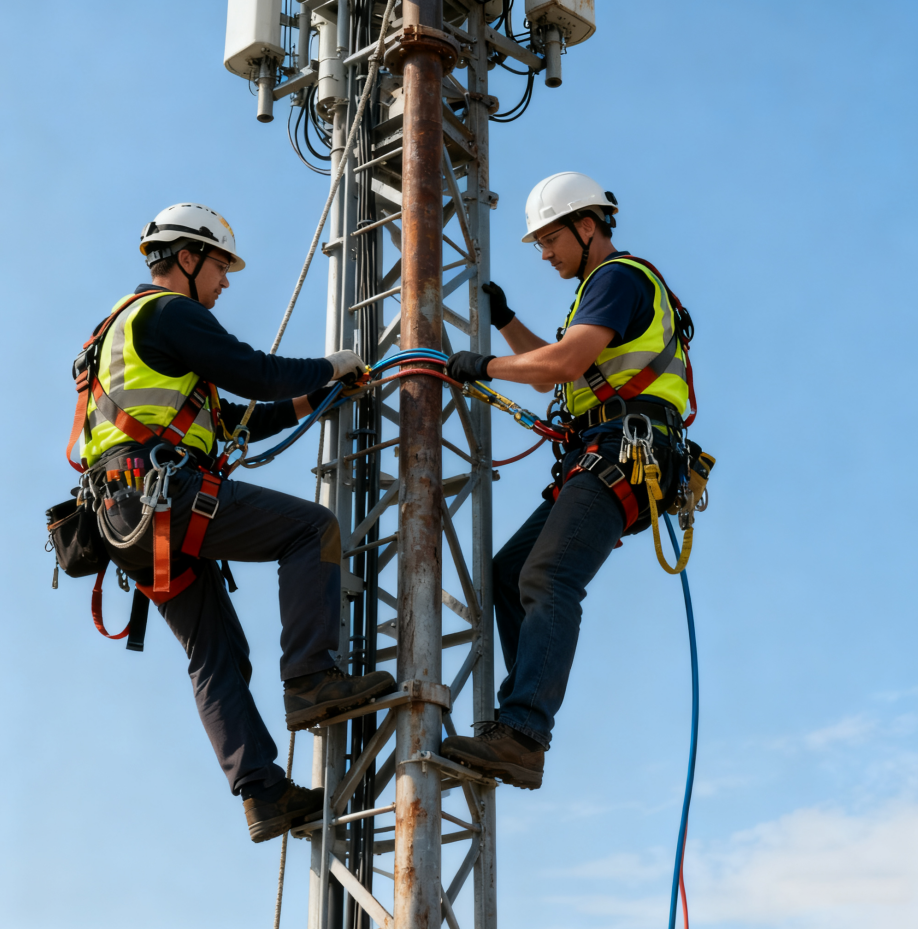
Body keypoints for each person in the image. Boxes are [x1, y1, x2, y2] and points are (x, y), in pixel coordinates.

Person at [77, 203, 395, 841]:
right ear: (188, 258)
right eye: (221, 266)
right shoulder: (170, 312)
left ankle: (263, 794)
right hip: (162, 494)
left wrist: (319, 396)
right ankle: (311, 678)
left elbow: (240, 420)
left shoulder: (122, 333)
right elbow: (257, 373)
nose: (226, 281)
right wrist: (333, 366)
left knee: (215, 652)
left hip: (122, 516)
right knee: (310, 529)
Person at [440, 173, 694, 789]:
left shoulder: (617, 278)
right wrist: (506, 322)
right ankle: (518, 718)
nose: (544, 253)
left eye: (549, 239)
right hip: (608, 450)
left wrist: (483, 365)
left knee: (547, 575)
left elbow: (563, 363)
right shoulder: (597, 292)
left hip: (625, 448)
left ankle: (524, 732)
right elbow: (556, 373)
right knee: (511, 573)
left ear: (586, 227)